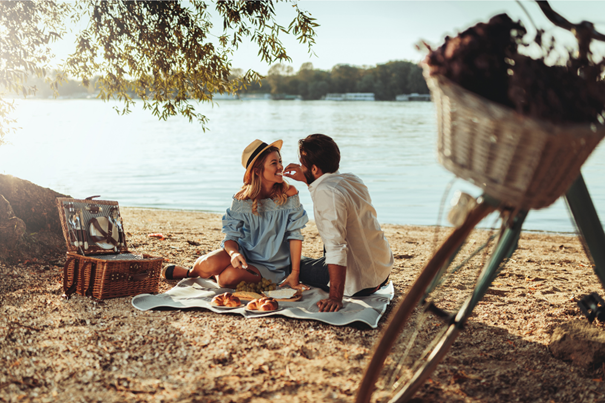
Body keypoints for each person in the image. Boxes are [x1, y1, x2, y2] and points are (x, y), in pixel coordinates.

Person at [162, 139, 309, 288]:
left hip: (272, 265)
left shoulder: (289, 193)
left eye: (280, 161)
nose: (280, 166)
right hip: (242, 254)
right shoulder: (241, 199)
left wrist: (294, 273)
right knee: (207, 264)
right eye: (274, 163)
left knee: (227, 278)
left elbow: (295, 235)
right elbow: (231, 237)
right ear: (257, 171)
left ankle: (215, 274)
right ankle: (191, 273)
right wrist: (234, 254)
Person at [284, 134, 393, 312]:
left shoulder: (326, 192)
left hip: (361, 282)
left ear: (315, 169)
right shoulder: (351, 179)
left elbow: (336, 247)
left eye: (303, 164)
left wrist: (335, 297)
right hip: (381, 270)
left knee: (289, 262)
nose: (299, 167)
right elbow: (326, 189)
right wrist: (307, 177)